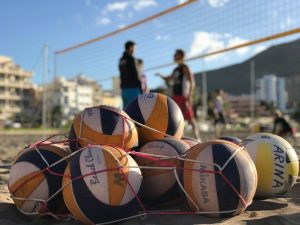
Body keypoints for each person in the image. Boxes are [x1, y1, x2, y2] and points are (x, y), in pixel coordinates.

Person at [156, 49, 200, 139]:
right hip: (176, 96)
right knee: (178, 117)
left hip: (183, 95)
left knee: (190, 118)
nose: (173, 56)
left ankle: (197, 137)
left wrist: (190, 95)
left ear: (181, 56)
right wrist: (160, 75)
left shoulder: (185, 67)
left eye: (175, 55)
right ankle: (181, 137)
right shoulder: (176, 69)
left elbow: (192, 81)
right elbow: (169, 79)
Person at [119, 41, 142, 108]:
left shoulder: (121, 60)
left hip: (124, 89)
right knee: (135, 109)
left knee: (126, 110)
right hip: (133, 88)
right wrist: (140, 87)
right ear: (130, 48)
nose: (135, 50)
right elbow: (136, 73)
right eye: (134, 48)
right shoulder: (132, 59)